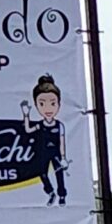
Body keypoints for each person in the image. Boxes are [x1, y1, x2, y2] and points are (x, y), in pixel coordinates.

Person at [24, 74, 68, 206]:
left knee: (59, 174)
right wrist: (26, 115)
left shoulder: (59, 125)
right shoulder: (40, 125)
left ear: (59, 104)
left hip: (56, 153)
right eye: (42, 104)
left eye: (53, 103)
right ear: (36, 105)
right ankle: (50, 192)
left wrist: (63, 158)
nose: (48, 109)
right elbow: (28, 130)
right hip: (43, 153)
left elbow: (62, 142)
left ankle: (62, 195)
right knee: (42, 174)